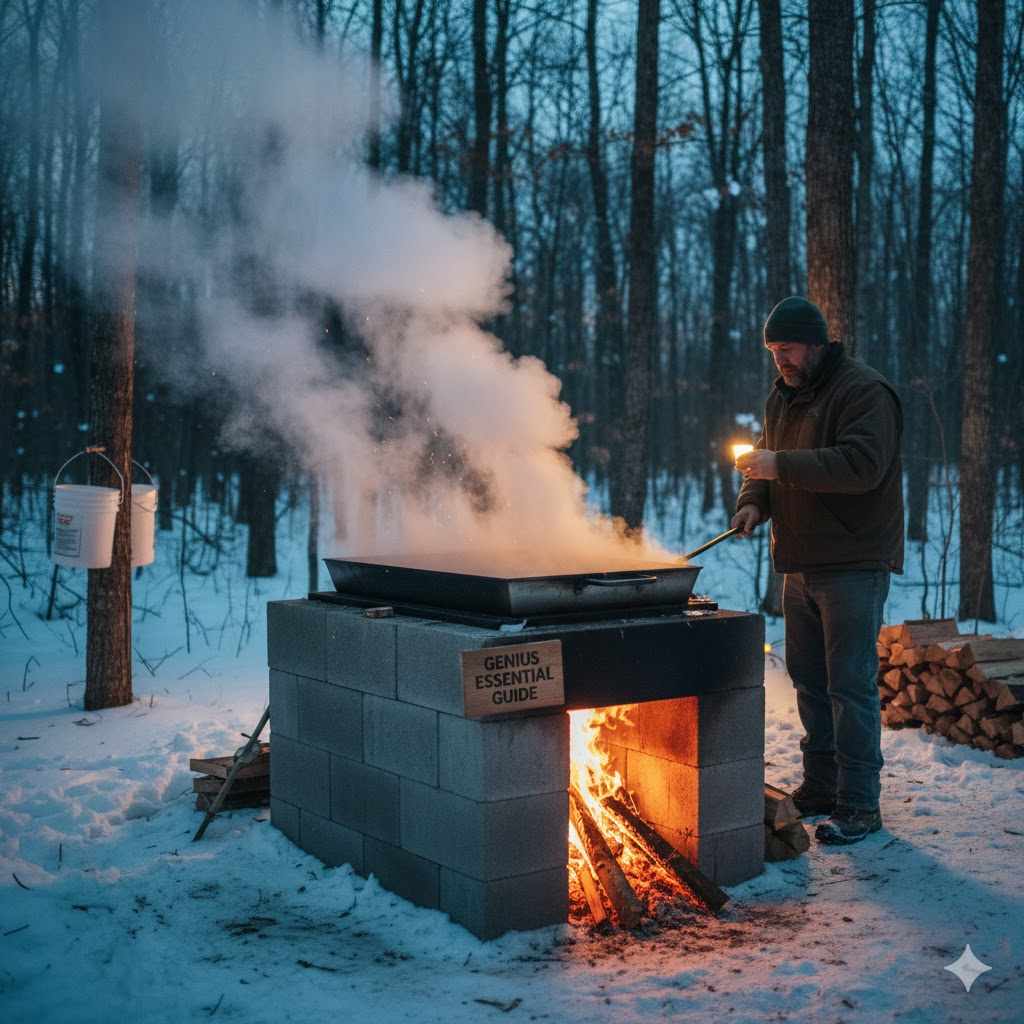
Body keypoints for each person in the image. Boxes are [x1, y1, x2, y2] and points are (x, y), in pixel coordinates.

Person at [731, 296, 904, 845]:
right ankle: (823, 785)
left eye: (787, 349)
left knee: (850, 686)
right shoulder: (783, 395)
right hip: (800, 560)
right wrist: (754, 498)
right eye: (772, 350)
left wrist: (779, 466)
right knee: (809, 679)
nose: (779, 359)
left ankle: (860, 804)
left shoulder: (863, 390)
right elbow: (764, 454)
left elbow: (862, 466)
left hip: (854, 561)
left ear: (817, 343)